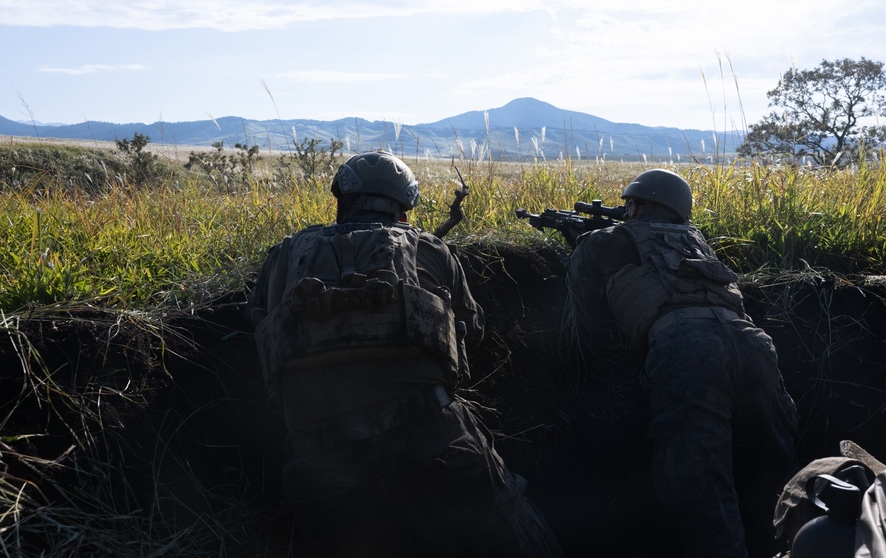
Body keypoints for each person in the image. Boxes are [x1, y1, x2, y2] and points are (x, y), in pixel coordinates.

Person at [248, 151, 561, 558]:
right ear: (404, 209)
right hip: (431, 433)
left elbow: (258, 324)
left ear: (342, 200)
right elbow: (472, 331)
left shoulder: (284, 255)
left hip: (320, 452)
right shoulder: (429, 248)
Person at [564, 168, 799, 558]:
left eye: (633, 204)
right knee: (774, 464)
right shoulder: (697, 240)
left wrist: (582, 246)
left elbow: (582, 305)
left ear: (641, 207)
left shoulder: (606, 239)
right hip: (754, 344)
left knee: (697, 482)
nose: (629, 212)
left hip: (686, 348)